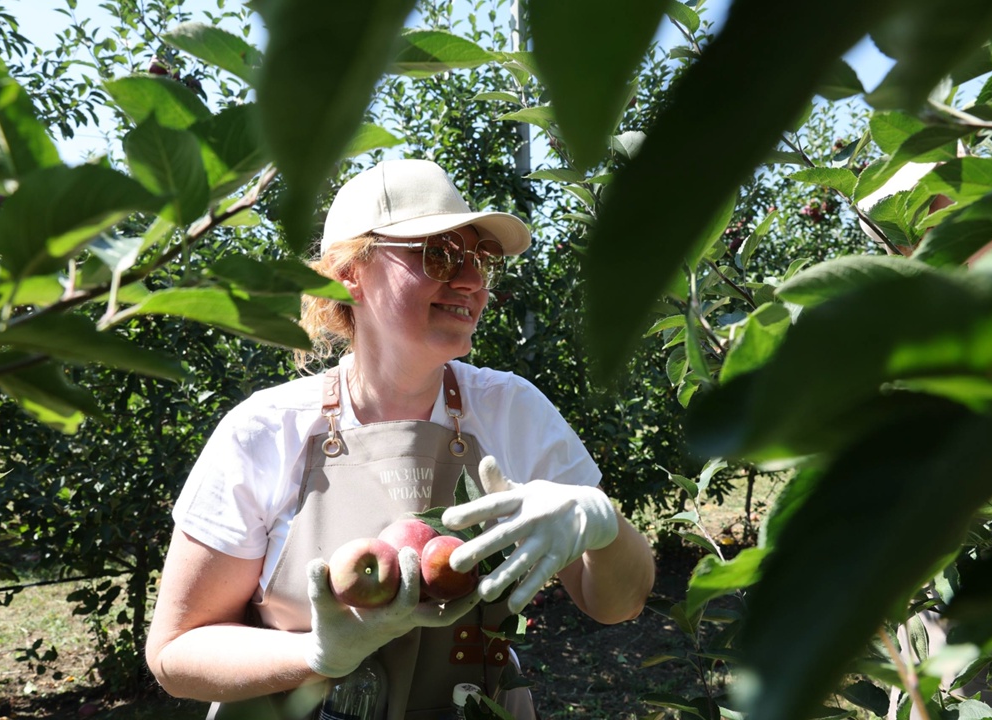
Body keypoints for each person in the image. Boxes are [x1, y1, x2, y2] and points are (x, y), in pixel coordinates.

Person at [145, 158, 656, 720]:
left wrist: (602, 522)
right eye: (437, 254)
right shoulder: (266, 432)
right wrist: (315, 654)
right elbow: (175, 653)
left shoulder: (511, 412)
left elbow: (620, 603)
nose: (470, 281)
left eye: (481, 260)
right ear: (349, 273)